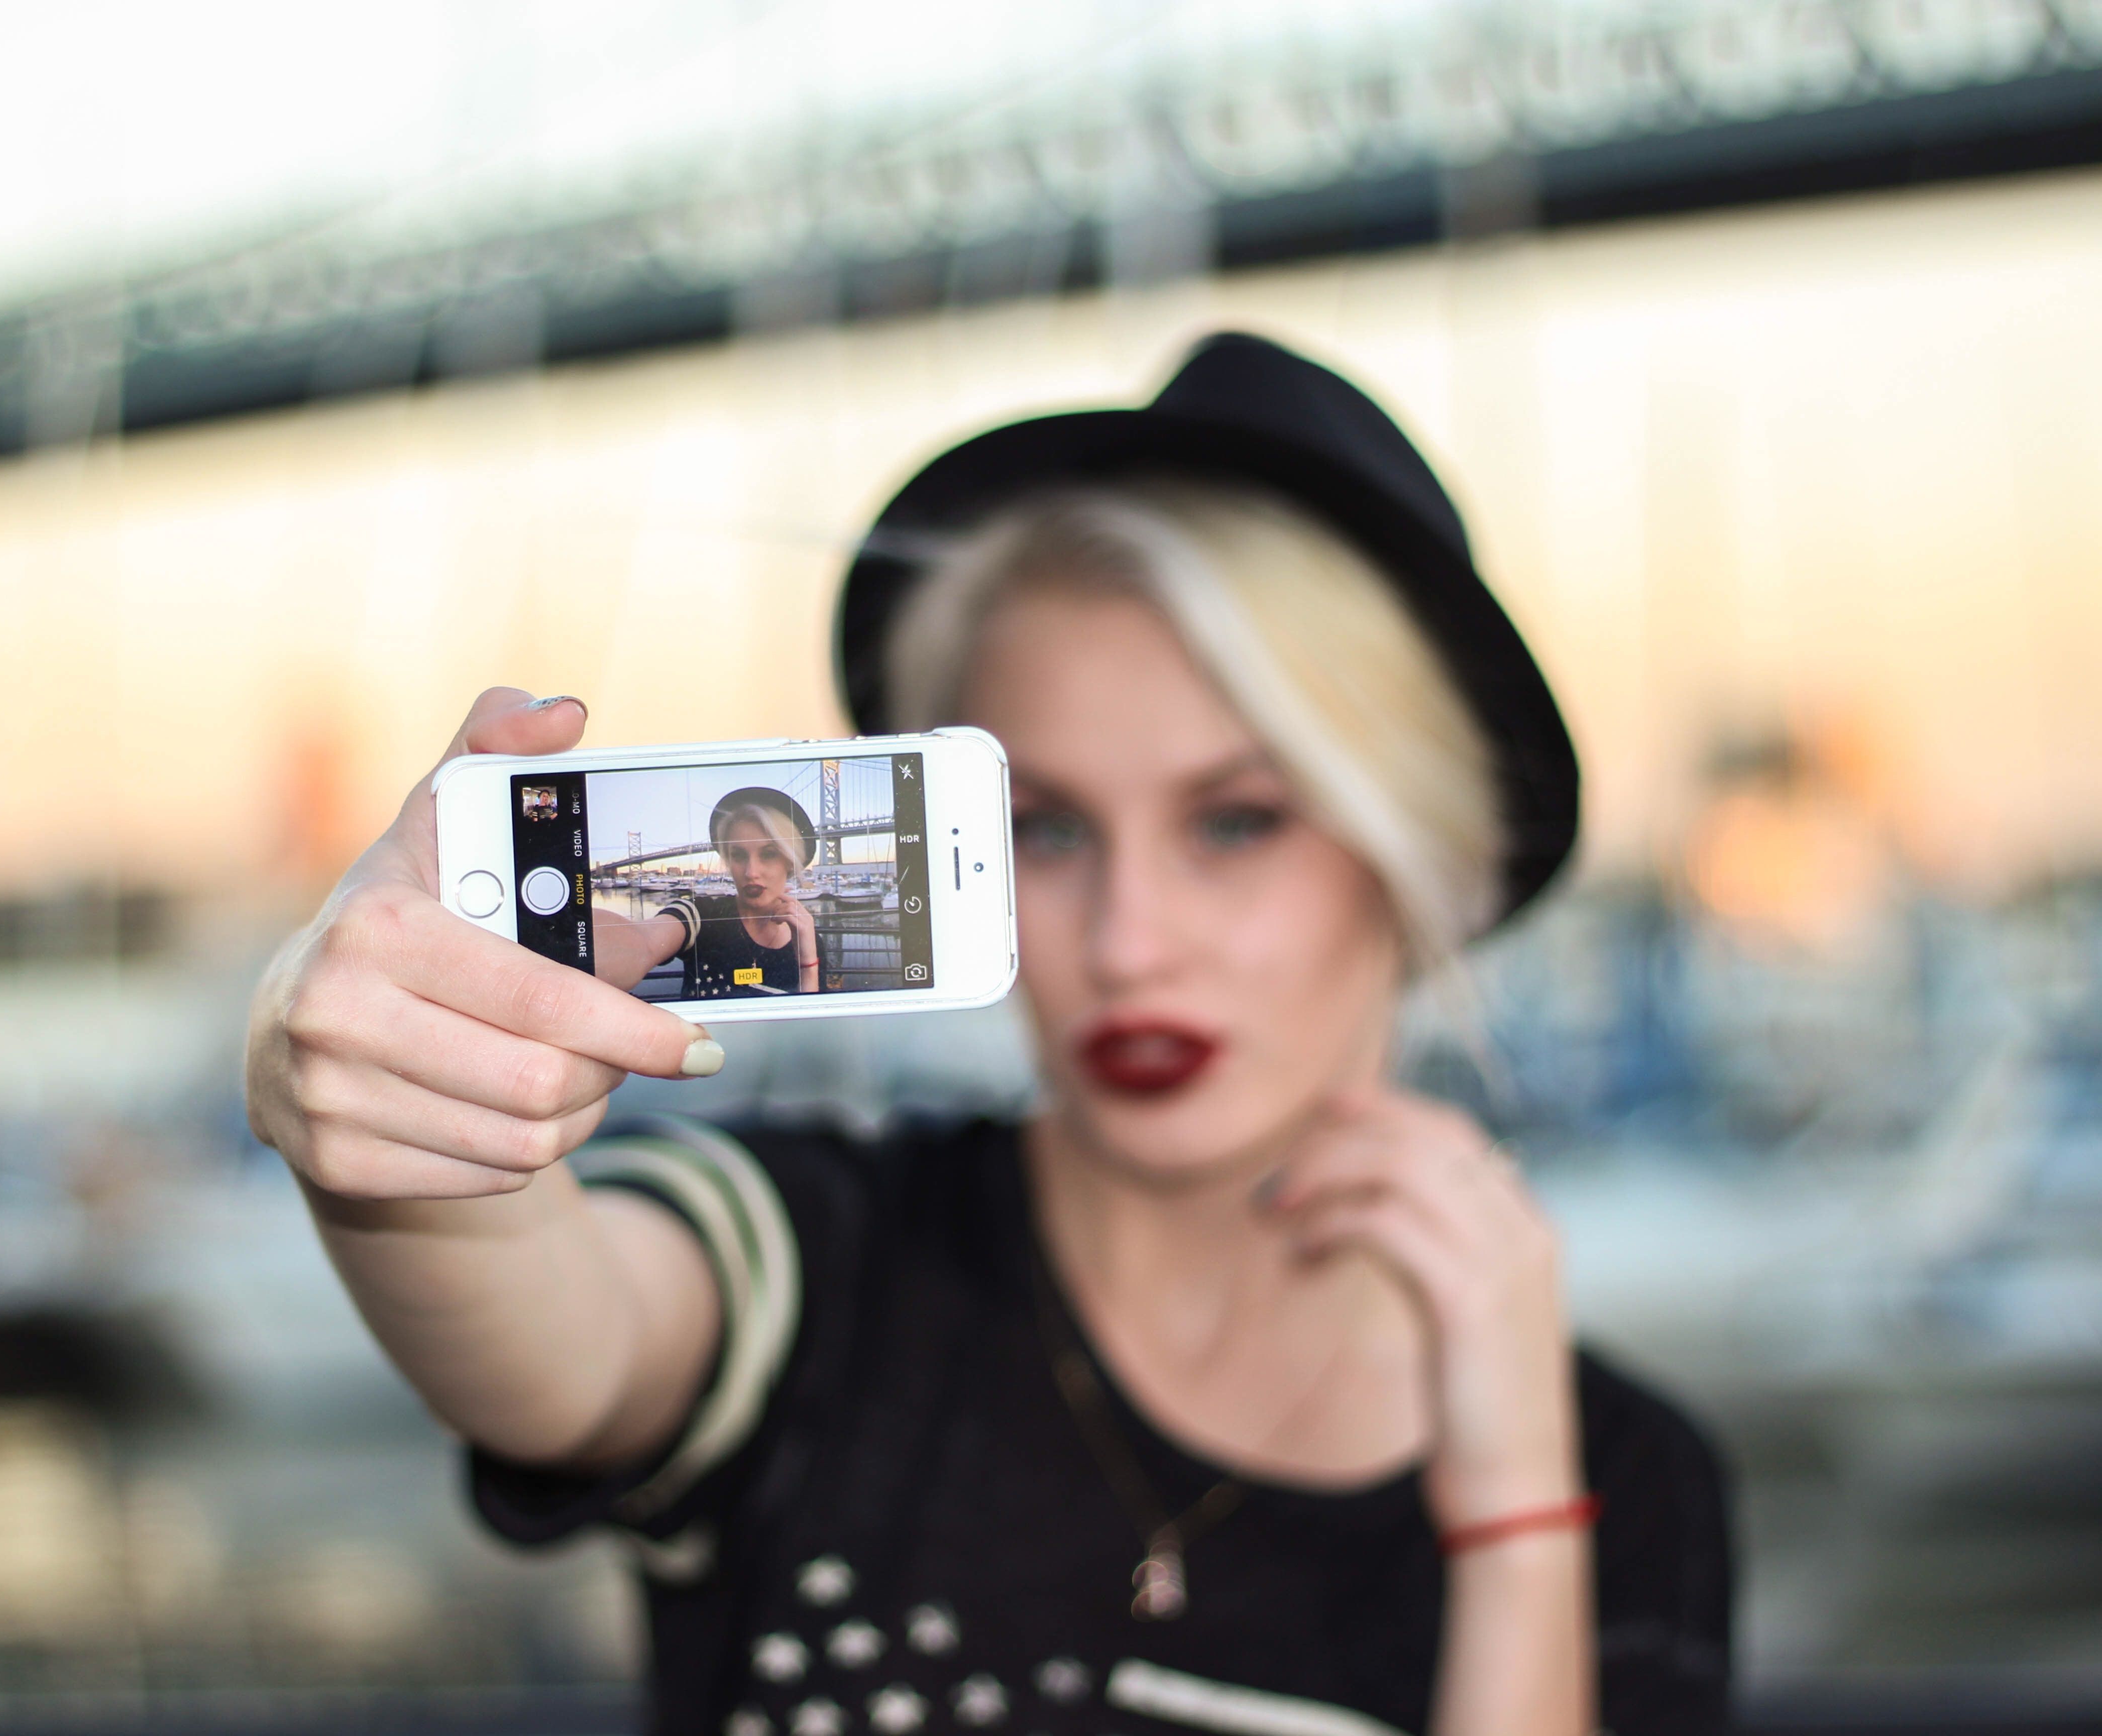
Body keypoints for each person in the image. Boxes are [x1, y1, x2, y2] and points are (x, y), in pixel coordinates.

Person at [244, 334, 1733, 1736]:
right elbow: (564, 1337)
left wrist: (1523, 1520)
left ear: (1427, 863)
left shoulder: (1627, 1477)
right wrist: (401, 1153)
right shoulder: (822, 1264)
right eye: (1044, 829)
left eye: (1237, 822)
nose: (1130, 941)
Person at [599, 789, 824, 998]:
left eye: (769, 854)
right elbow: (643, 943)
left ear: (790, 862)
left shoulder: (811, 938)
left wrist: (808, 964)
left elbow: (811, 1030)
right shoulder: (701, 915)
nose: (751, 872)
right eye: (738, 855)